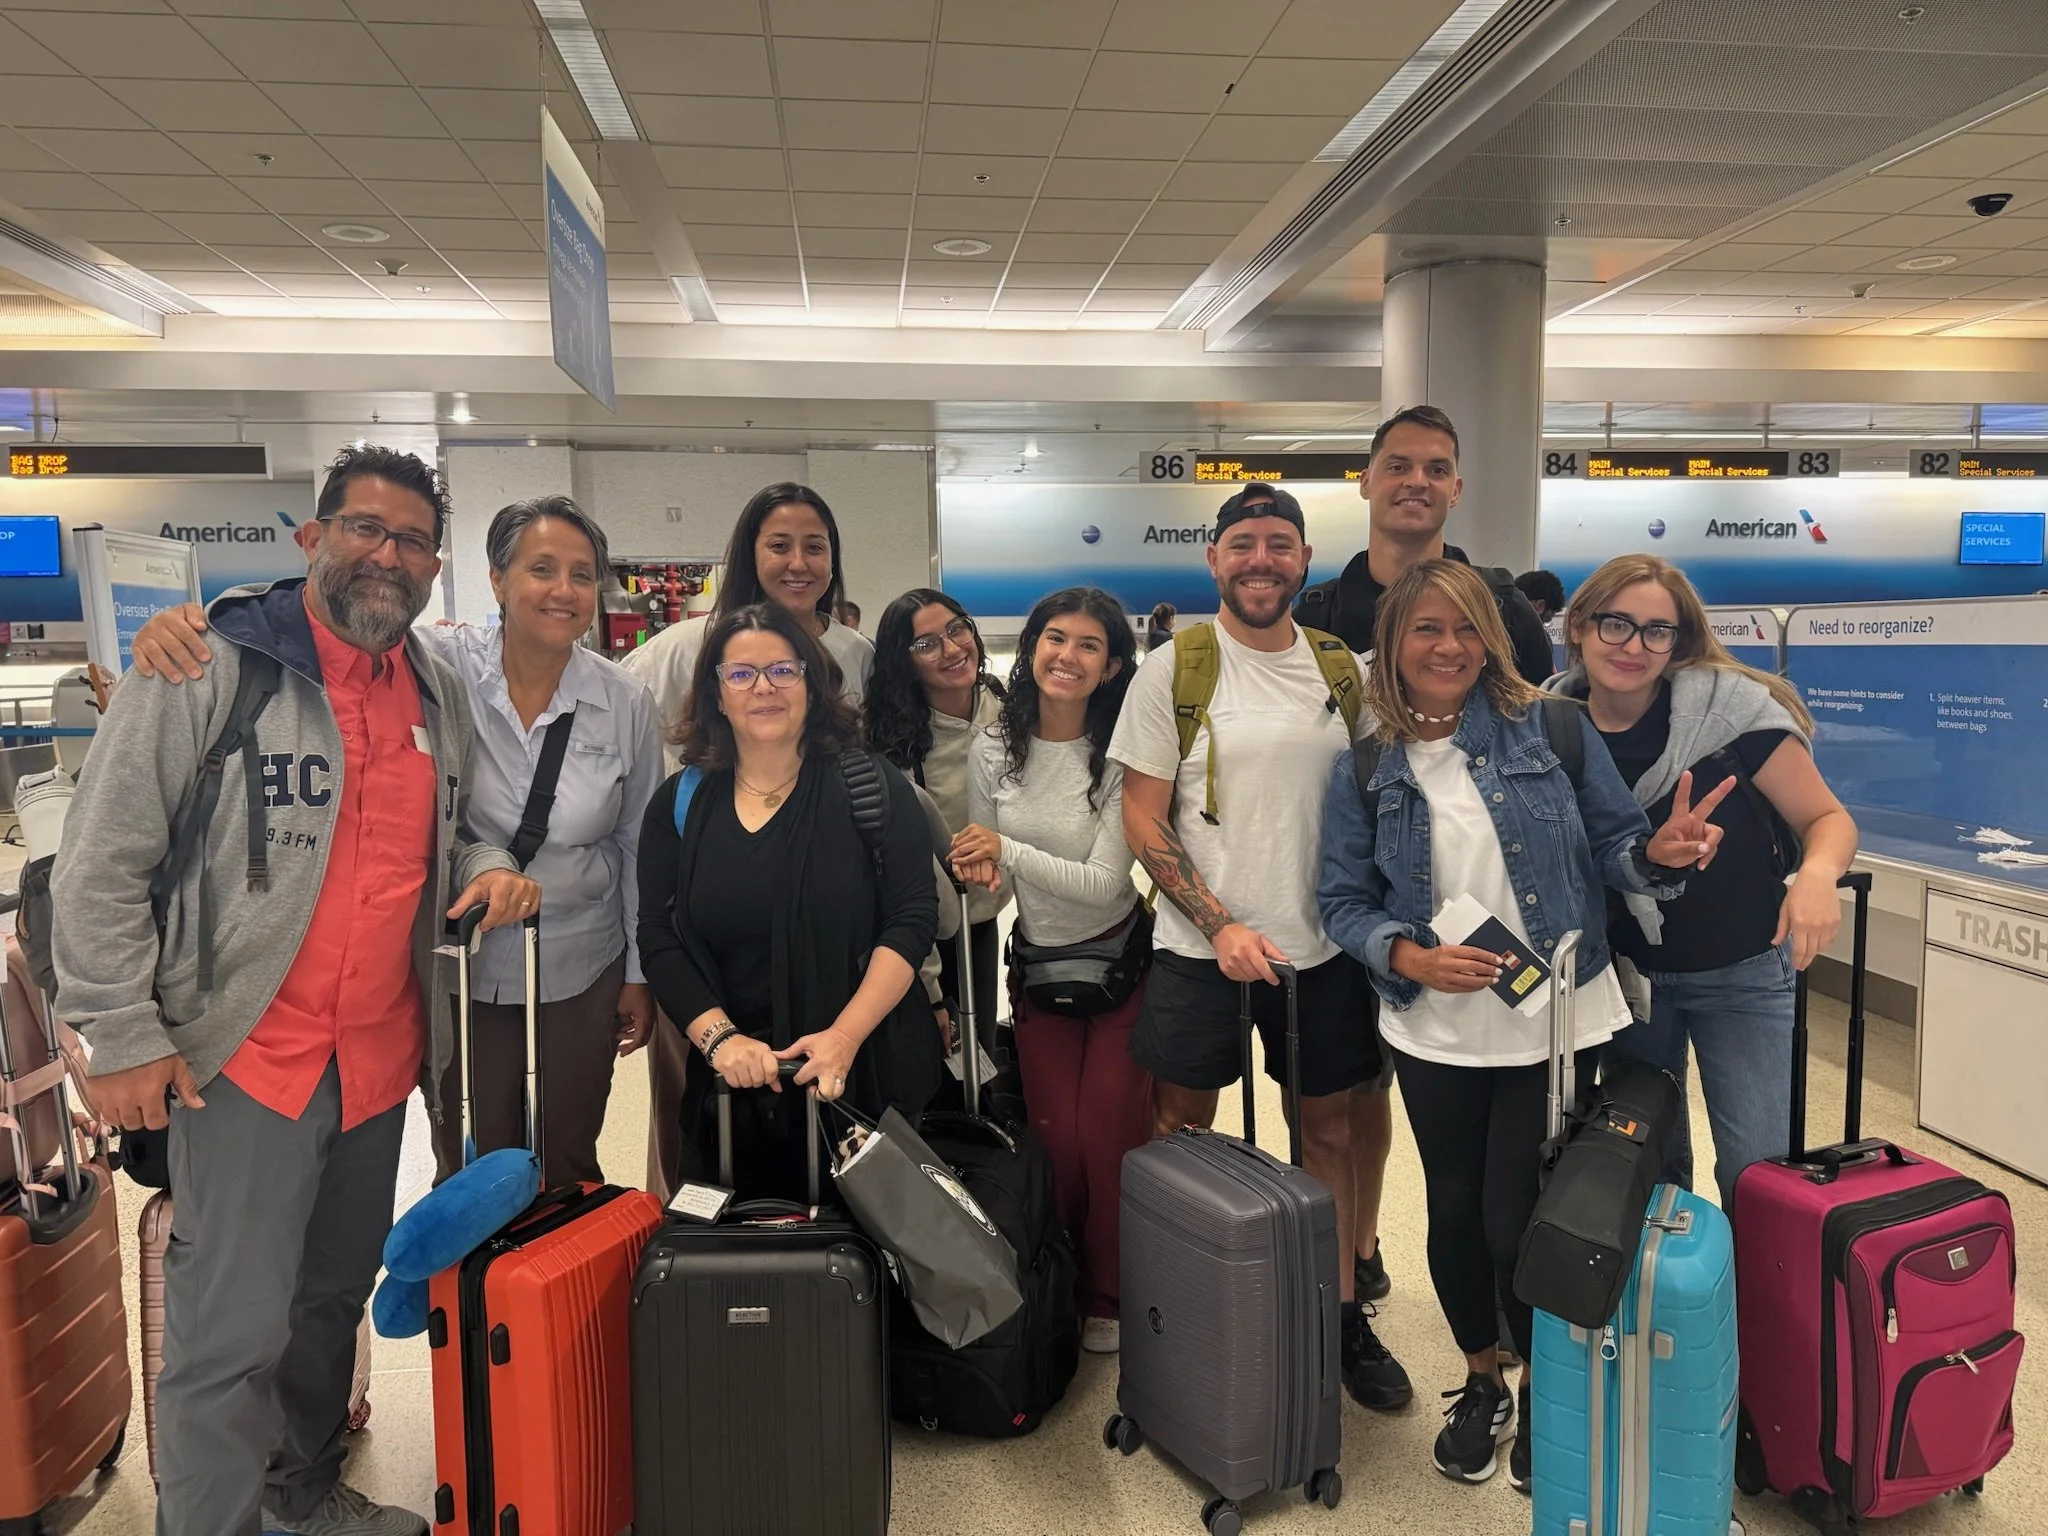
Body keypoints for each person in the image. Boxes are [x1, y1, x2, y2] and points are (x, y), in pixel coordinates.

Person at [50, 445, 540, 1536]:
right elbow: (101, 860)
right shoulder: (210, 665)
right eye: (366, 528)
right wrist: (122, 1031)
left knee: (327, 1305)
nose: (388, 555)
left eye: (412, 540)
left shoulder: (434, 689)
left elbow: (444, 838)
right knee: (230, 1334)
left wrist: (486, 871)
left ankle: (302, 1499)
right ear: (312, 538)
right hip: (243, 1062)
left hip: (376, 1067)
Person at [1318, 558, 1729, 1492]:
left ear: (1493, 641)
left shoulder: (1551, 729)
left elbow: (1620, 847)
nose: (1449, 647)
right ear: (1393, 644)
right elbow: (1342, 899)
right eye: (1427, 629)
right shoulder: (1369, 762)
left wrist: (1657, 854)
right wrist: (1405, 953)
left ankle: (1550, 1384)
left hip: (1552, 1021)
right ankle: (1479, 1379)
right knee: (1454, 1210)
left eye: (1467, 629)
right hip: (1436, 1027)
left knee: (1520, 1216)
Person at [129, 496, 665, 1190]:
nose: (563, 591)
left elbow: (639, 850)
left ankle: (561, 1290)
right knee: (468, 1157)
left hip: (579, 964)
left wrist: (636, 976)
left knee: (566, 1152)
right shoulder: (431, 665)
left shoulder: (623, 702)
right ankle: (471, 1297)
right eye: (541, 569)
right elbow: (319, 625)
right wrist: (193, 623)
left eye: (582, 575)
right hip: (447, 970)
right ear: (497, 579)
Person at [1107, 482, 1412, 1413]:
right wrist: (1219, 922)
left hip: (1322, 952)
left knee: (1328, 1132)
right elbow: (1141, 815)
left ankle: (1335, 1314)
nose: (1261, 560)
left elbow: (1377, 795)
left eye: (1280, 544)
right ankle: (1188, 1298)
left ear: (1304, 561)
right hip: (1202, 952)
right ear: (1214, 560)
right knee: (1181, 1132)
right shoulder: (1174, 668)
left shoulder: (1338, 668)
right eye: (1242, 544)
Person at [1292, 404, 1555, 1328]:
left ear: (1456, 487)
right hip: (1363, 906)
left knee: (1480, 1159)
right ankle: (1351, 1282)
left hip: (1492, 940)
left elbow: (1545, 742)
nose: (1415, 482)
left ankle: (1365, 1254)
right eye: (1396, 464)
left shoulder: (1502, 605)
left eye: (1435, 467)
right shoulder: (1317, 612)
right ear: (1365, 480)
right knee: (1350, 1104)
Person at [1547, 554, 1857, 1211]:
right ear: (1578, 626)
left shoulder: (1736, 714)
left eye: (1657, 631)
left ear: (1679, 641)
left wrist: (1817, 875)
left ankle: (1762, 1311)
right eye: (1616, 625)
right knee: (1648, 1169)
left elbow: (1827, 818)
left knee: (1758, 1173)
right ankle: (1678, 1306)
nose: (1634, 646)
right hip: (1627, 980)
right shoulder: (1549, 726)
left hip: (1741, 970)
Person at [636, 602, 941, 1199]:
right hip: (729, 1091)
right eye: (741, 674)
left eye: (783, 670)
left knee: (872, 1272)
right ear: (716, 695)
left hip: (867, 1078)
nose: (764, 688)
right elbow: (658, 935)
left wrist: (844, 1038)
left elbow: (911, 918)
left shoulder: (872, 786)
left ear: (812, 682)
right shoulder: (680, 804)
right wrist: (721, 1041)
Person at [621, 482, 873, 1192]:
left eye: (814, 545)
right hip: (707, 928)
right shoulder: (679, 649)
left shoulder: (857, 653)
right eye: (778, 544)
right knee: (693, 1114)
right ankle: (688, 1262)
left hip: (820, 928)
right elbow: (643, 775)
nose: (798, 562)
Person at [951, 586, 1152, 1355]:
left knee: (1108, 1137)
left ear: (1110, 666)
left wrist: (1005, 851)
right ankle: (1061, 1278)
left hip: (1119, 974)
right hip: (1037, 970)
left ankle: (1113, 1291)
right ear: (1031, 649)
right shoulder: (994, 749)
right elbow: (994, 879)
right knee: (1052, 1139)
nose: (1068, 656)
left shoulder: (1122, 755)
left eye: (1089, 645)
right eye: (1055, 639)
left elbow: (1108, 883)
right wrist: (976, 870)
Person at [866, 588, 1011, 1038]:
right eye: (926, 644)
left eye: (956, 629)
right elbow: (892, 867)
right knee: (933, 1059)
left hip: (984, 917)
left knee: (980, 1055)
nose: (951, 649)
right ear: (903, 662)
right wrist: (928, 983)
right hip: (920, 931)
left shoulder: (1006, 709)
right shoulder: (891, 745)